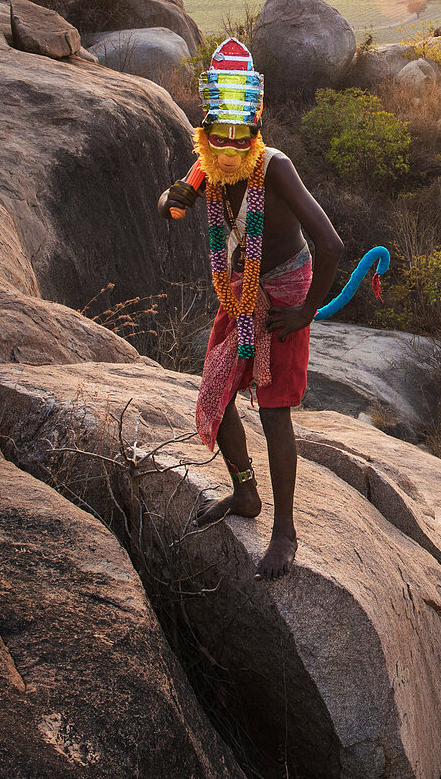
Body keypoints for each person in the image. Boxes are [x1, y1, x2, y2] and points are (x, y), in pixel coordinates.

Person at [158, 37, 342, 580]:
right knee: (217, 388)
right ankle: (245, 494)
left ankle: (284, 530)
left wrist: (307, 311)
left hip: (284, 287)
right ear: (208, 127)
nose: (232, 145)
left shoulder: (274, 166)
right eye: (222, 133)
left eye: (243, 134)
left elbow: (329, 245)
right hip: (240, 285)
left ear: (256, 126)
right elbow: (171, 201)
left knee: (273, 404)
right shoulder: (208, 163)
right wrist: (174, 200)